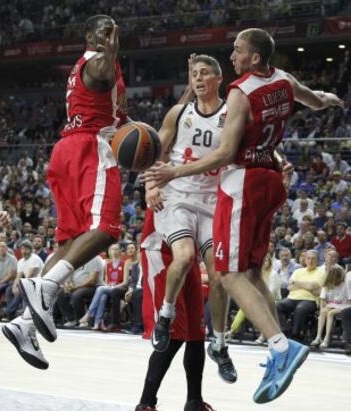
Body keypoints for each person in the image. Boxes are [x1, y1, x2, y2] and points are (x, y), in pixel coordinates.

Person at [144, 28, 343, 403]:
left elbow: (224, 155)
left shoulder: (241, 91)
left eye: (237, 51)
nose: (232, 56)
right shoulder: (283, 78)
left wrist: (171, 173)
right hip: (271, 180)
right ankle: (277, 346)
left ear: (253, 58)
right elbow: (314, 100)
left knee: (229, 274)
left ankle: (281, 348)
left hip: (243, 181)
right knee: (251, 273)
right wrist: (330, 99)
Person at [2, 14, 127, 368]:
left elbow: (113, 112)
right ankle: (45, 287)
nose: (109, 37)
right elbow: (102, 69)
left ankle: (24, 324)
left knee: (71, 244)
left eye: (112, 33)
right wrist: (110, 53)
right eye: (103, 32)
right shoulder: (99, 62)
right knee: (107, 230)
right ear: (89, 36)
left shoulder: (89, 68)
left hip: (66, 152)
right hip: (90, 149)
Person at [147, 54, 236, 383]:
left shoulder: (232, 112)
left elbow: (253, 143)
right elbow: (153, 148)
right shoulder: (179, 112)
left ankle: (221, 344)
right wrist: (149, 188)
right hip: (180, 198)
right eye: (194, 74)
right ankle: (165, 315)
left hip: (214, 202)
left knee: (218, 276)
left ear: (217, 78)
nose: (198, 78)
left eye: (204, 73)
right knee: (183, 257)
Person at [136, 209, 215, 411]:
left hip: (189, 255)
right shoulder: (182, 176)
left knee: (196, 333)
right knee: (173, 332)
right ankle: (146, 404)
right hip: (160, 249)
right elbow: (153, 180)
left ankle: (194, 402)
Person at [311, 264, 350, 348]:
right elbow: (322, 299)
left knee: (331, 313)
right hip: (331, 304)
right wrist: (321, 311)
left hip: (343, 305)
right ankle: (318, 337)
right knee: (324, 311)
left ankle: (327, 338)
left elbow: (349, 300)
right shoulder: (326, 285)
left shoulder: (345, 284)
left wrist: (340, 305)